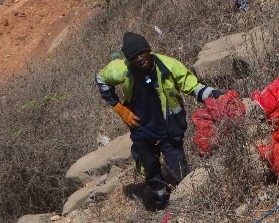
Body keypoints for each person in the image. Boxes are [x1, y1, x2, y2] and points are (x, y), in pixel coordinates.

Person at [96, 32, 224, 209]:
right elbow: (101, 79)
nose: (140, 59)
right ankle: (160, 199)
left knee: (180, 175)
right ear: (128, 59)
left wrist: (217, 95)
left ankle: (183, 205)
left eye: (143, 53)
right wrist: (118, 107)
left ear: (149, 50)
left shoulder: (169, 66)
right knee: (149, 168)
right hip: (141, 129)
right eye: (134, 57)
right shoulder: (121, 70)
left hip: (169, 128)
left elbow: (193, 86)